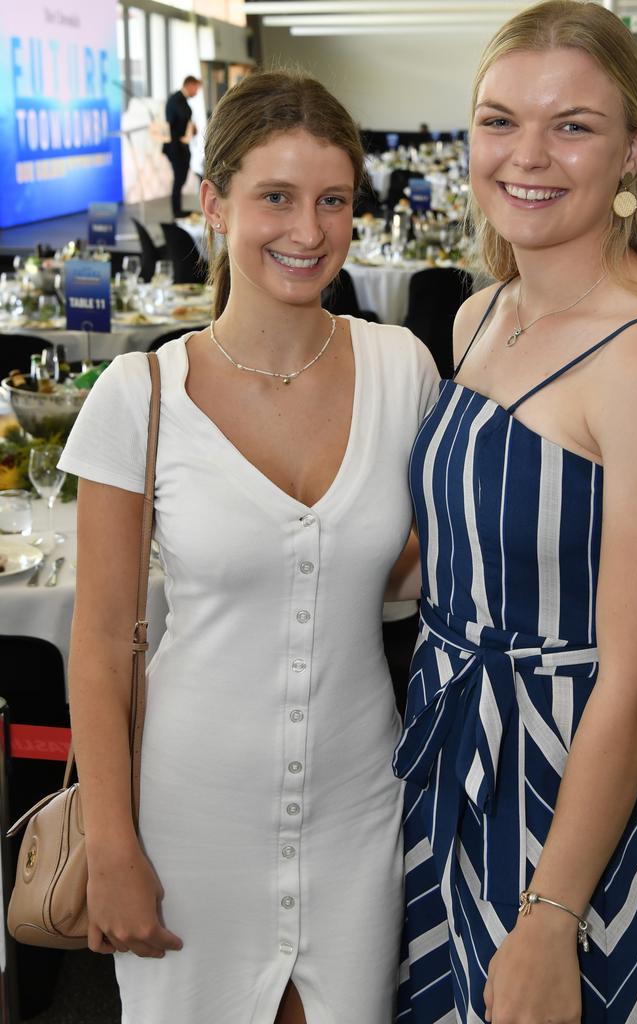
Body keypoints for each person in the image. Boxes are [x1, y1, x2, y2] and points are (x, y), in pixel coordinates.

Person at [59, 69, 438, 1024]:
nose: (307, 232)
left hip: (359, 811)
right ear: (213, 203)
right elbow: (101, 643)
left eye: (333, 201)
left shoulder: (403, 369)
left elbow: (408, 579)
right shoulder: (139, 397)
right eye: (276, 197)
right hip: (189, 821)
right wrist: (113, 846)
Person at [390, 3, 637, 1022]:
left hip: (561, 797)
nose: (526, 155)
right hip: (441, 754)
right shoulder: (480, 311)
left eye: (571, 125)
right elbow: (442, 553)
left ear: (632, 149)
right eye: (499, 121)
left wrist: (549, 912)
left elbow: (635, 683)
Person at [163, 75, 201, 217]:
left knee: (181, 177)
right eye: (196, 88)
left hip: (181, 146)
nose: (196, 92)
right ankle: (176, 211)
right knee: (179, 177)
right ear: (190, 85)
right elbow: (182, 117)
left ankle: (177, 209)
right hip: (175, 147)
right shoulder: (176, 99)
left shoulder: (181, 100)